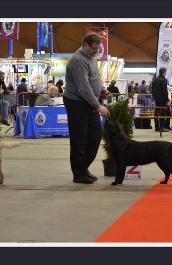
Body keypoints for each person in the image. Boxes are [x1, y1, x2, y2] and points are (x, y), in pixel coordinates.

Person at [63, 32, 110, 184]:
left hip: (88, 102)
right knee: (79, 139)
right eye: (94, 48)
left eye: (98, 48)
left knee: (96, 135)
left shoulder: (90, 58)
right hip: (77, 103)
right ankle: (78, 173)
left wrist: (101, 89)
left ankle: (83, 167)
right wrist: (98, 106)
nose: (97, 51)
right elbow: (83, 88)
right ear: (85, 45)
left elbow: (94, 78)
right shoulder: (78, 60)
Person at [152, 67, 170, 132]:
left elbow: (153, 90)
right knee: (163, 113)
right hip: (162, 99)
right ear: (163, 72)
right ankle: (162, 127)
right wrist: (167, 100)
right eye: (165, 72)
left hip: (156, 99)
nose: (166, 73)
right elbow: (164, 91)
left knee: (156, 113)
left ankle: (157, 127)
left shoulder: (155, 80)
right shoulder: (163, 80)